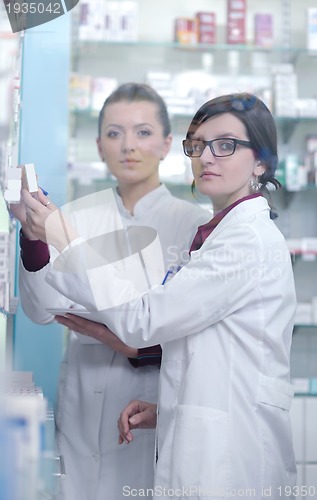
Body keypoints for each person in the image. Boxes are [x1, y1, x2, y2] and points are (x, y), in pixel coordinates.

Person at [21, 92, 297, 499]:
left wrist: (63, 235)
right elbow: (206, 346)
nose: (206, 157)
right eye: (199, 146)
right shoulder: (217, 236)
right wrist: (169, 411)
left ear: (260, 160)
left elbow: (144, 319)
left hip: (230, 457)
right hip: (173, 426)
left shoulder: (247, 241)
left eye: (225, 146)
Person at [11, 83, 209, 500]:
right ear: (99, 146)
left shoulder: (193, 224)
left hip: (153, 396)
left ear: (167, 143)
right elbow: (43, 310)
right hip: (84, 395)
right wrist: (34, 238)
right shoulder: (76, 217)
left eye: (142, 132)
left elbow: (184, 325)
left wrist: (130, 341)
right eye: (114, 134)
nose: (128, 146)